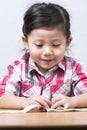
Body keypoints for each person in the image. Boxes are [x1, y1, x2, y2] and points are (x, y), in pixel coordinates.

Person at [0, 2, 87, 110]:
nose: (47, 52)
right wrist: (25, 102)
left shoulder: (73, 68)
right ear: (26, 42)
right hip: (28, 126)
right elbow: (2, 97)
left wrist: (74, 101)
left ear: (68, 42)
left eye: (55, 45)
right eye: (39, 45)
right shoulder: (19, 69)